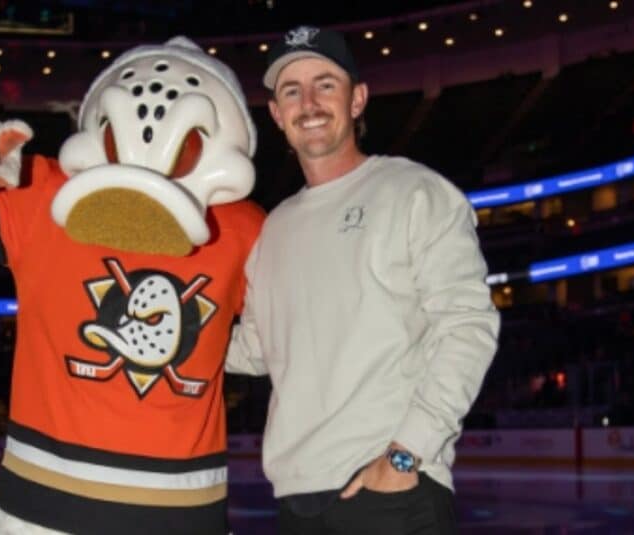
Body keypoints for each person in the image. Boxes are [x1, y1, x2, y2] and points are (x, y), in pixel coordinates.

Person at [0, 36, 264, 534]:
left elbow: (292, 327)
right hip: (41, 512)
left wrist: (234, 347)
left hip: (181, 516)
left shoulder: (244, 226)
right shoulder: (45, 193)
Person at [226, 26, 500, 534]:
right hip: (296, 498)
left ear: (357, 100)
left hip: (391, 492)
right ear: (277, 114)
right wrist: (174, 330)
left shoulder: (414, 192)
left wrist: (406, 454)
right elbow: (256, 348)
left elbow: (468, 327)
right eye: (292, 90)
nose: (309, 102)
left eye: (325, 84)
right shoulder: (274, 228)